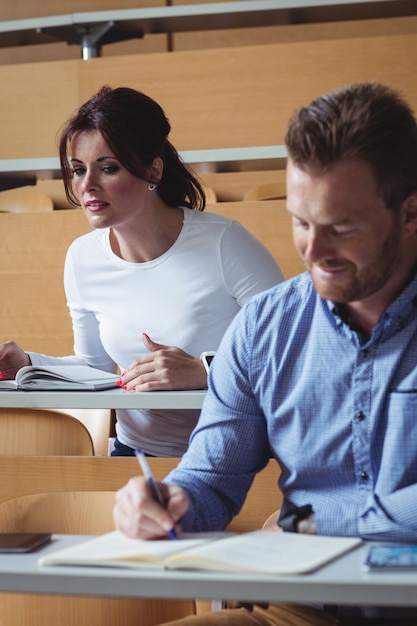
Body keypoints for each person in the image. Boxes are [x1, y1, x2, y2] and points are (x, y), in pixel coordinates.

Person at [113, 81, 417, 625]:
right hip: (303, 612)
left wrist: (316, 523)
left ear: (410, 212)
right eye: (300, 223)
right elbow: (209, 478)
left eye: (340, 228)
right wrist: (168, 502)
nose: (313, 252)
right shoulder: (262, 328)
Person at [0, 86, 283, 457]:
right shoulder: (82, 257)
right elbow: (95, 368)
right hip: (136, 458)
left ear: (153, 169)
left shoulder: (225, 243)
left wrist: (206, 372)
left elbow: (295, 351)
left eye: (108, 168)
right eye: (79, 170)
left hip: (239, 457)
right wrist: (28, 364)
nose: (87, 186)